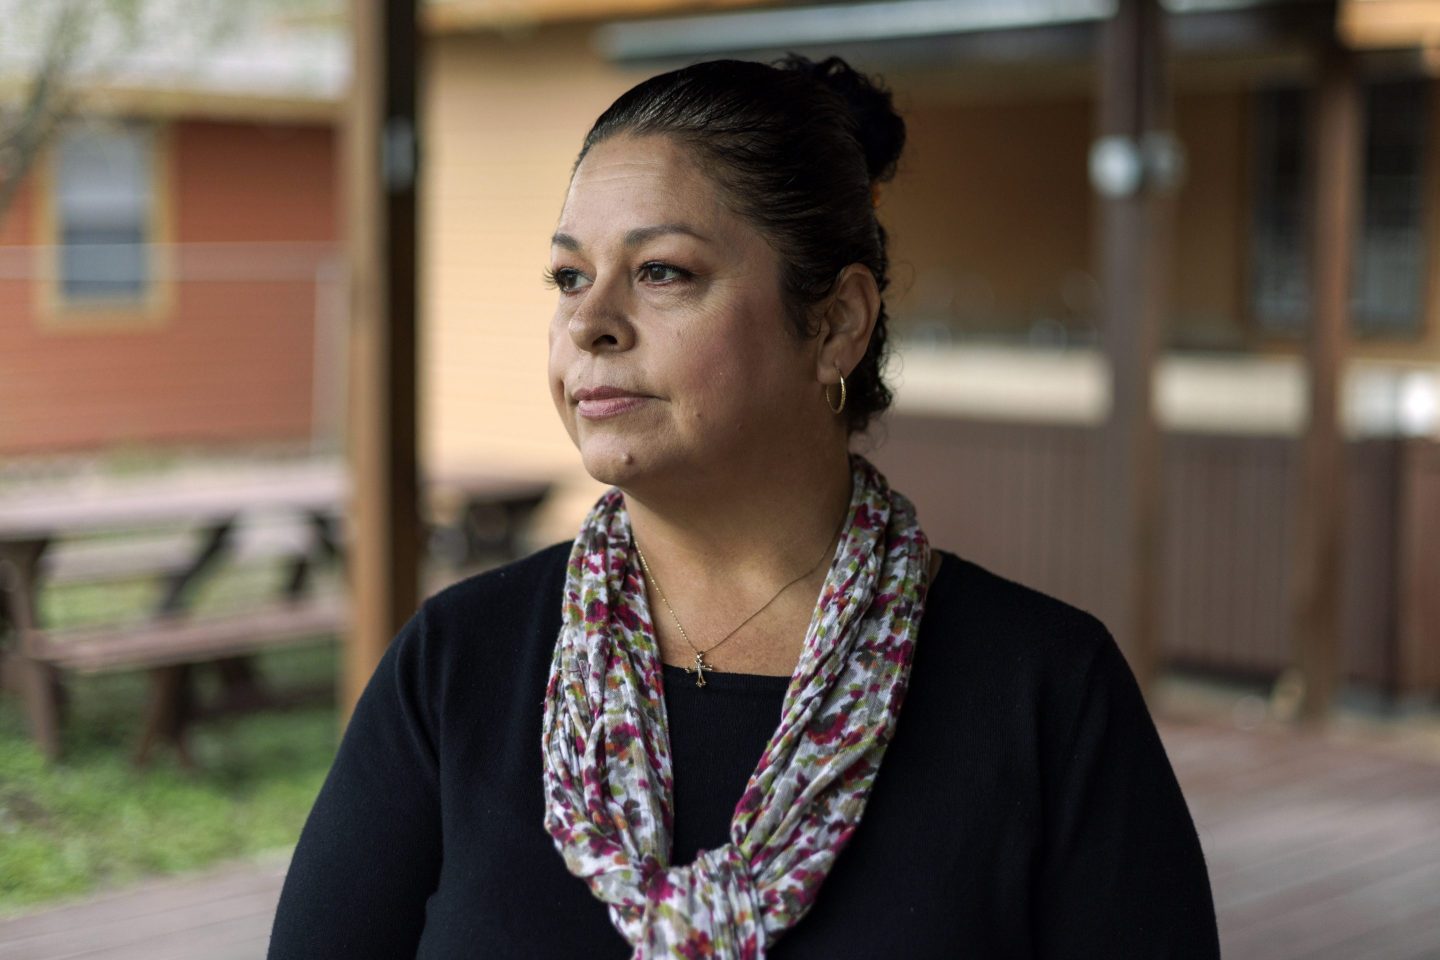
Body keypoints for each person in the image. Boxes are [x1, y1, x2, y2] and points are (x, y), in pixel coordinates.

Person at [267, 55, 1219, 959]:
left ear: (837, 322)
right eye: (568, 276)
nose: (589, 320)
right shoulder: (459, 667)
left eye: (661, 272)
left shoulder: (1042, 692)